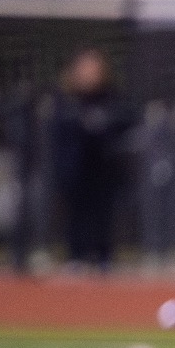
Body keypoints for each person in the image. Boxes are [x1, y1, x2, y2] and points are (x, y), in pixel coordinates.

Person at [49, 48, 132, 270]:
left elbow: (125, 122)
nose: (89, 73)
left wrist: (104, 124)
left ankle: (104, 257)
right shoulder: (65, 99)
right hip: (75, 168)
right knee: (76, 213)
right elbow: (58, 132)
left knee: (103, 214)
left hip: (105, 168)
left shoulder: (111, 97)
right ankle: (76, 256)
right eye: (84, 68)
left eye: (94, 68)